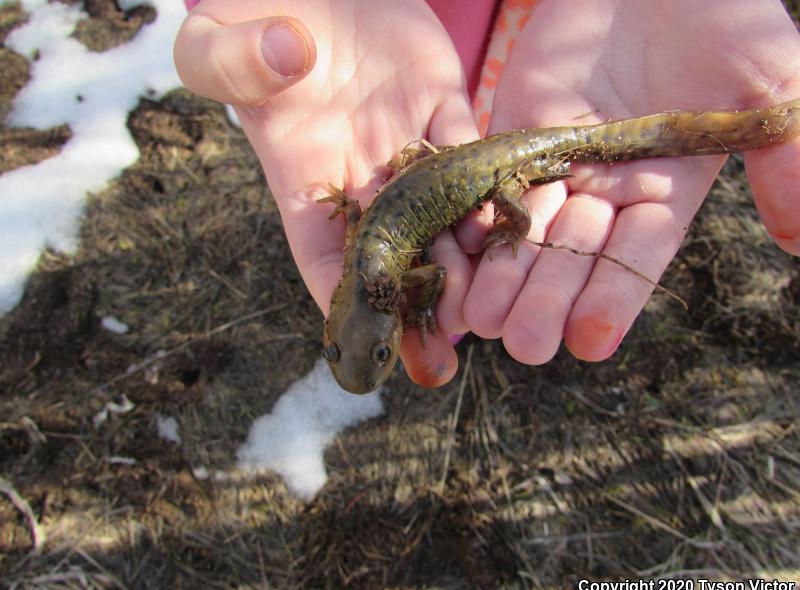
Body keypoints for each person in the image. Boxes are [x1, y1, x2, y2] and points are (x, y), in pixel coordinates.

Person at [174, 0, 800, 388]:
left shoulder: (389, 280)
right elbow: (363, 216)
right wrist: (350, 202)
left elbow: (434, 283)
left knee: (519, 211)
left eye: (352, 346)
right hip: (464, 146)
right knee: (559, 152)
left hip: (502, 165)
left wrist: (500, 235)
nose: (359, 346)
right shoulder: (362, 256)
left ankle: (517, 222)